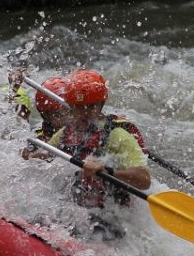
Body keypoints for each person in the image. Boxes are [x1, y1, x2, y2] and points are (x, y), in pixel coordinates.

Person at [39, 69, 151, 212]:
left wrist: (108, 171)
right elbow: (42, 157)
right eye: (78, 107)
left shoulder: (117, 135)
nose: (84, 113)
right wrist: (31, 155)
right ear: (71, 106)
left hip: (113, 216)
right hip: (76, 211)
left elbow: (144, 180)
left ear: (101, 104)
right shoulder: (64, 133)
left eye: (91, 106)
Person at [33, 76, 71, 141]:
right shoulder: (39, 141)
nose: (67, 119)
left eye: (70, 112)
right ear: (46, 116)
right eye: (58, 115)